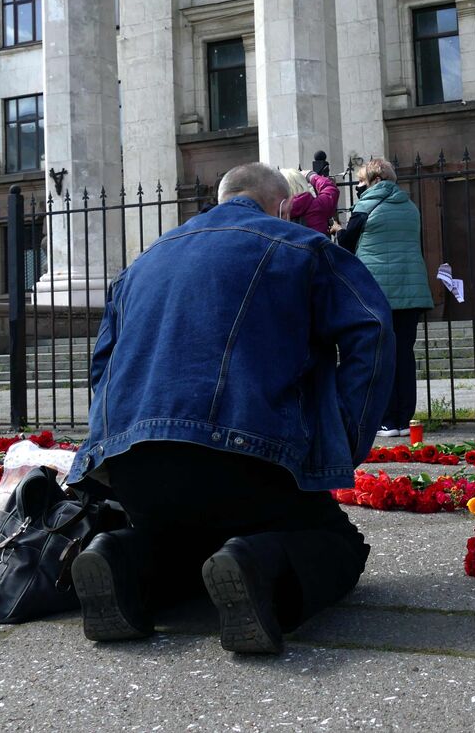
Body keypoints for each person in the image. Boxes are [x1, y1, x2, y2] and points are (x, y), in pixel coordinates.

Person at [66, 162, 394, 654]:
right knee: (338, 546)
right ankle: (261, 566)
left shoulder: (142, 261)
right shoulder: (302, 246)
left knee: (182, 541)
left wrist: (110, 445)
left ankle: (120, 556)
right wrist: (346, 437)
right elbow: (373, 328)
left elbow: (101, 367)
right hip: (249, 461)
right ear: (283, 206)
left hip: (135, 471)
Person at [332, 158, 434, 439]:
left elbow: (346, 244)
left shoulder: (365, 206)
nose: (359, 188)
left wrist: (338, 230)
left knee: (382, 356)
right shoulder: (410, 208)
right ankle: (403, 419)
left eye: (361, 182)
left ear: (374, 180)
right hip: (411, 292)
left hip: (379, 293)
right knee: (404, 354)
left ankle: (387, 419)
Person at [281, 163, 340, 235]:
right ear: (302, 183)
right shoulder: (317, 206)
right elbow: (330, 189)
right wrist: (311, 176)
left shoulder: (275, 212)